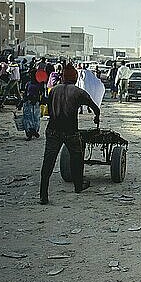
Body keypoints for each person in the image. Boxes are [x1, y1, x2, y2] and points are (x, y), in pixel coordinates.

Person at [39, 64, 100, 205]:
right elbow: (95, 108)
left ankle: (43, 195)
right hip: (70, 131)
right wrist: (96, 118)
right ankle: (78, 186)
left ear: (63, 77)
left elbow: (47, 105)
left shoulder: (53, 90)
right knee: (76, 158)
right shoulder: (78, 92)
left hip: (53, 130)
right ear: (76, 77)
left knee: (48, 162)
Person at [18, 69, 42, 140]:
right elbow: (25, 93)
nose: (31, 76)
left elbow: (41, 94)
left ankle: (33, 131)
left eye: (32, 75)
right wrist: (22, 102)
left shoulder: (39, 84)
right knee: (28, 119)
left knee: (35, 119)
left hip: (35, 103)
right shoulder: (28, 83)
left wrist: (36, 99)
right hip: (28, 103)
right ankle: (30, 133)